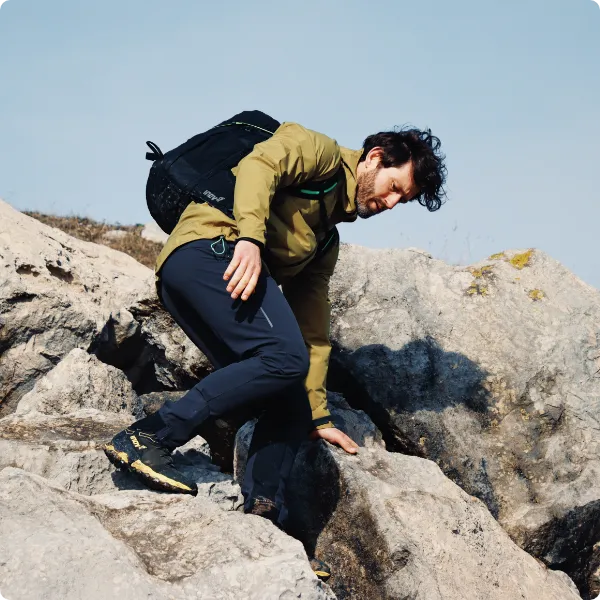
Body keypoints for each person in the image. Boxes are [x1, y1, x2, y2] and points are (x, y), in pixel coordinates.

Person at [104, 119, 446, 576]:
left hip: (208, 278)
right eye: (393, 187)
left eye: (400, 200)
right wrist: (249, 237)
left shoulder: (325, 239)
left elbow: (314, 328)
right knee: (285, 358)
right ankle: (149, 437)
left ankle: (264, 518)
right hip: (210, 250)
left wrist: (318, 414)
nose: (389, 202)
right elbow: (259, 166)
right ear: (376, 158)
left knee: (291, 398)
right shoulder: (318, 151)